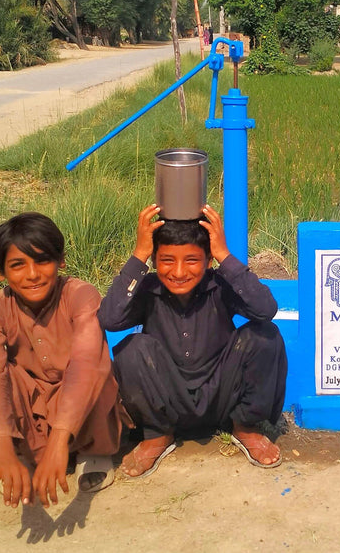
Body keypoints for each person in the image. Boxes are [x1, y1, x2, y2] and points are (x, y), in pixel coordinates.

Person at [99, 204, 287, 477]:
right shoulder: (148, 289)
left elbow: (265, 309)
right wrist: (139, 255)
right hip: (167, 399)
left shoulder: (221, 285)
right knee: (131, 348)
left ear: (208, 261)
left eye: (191, 260)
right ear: (154, 260)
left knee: (265, 335)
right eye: (166, 260)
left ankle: (246, 428)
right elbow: (110, 319)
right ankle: (157, 435)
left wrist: (225, 255)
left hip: (222, 396)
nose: (178, 272)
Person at [0, 212, 121, 508]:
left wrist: (60, 440)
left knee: (96, 369)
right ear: (1, 272)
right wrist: (1, 449)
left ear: (61, 261)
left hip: (80, 401)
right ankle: (27, 452)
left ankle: (94, 452)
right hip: (34, 409)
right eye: (18, 265)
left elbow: (86, 364)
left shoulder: (80, 294)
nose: (33, 274)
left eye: (42, 261)